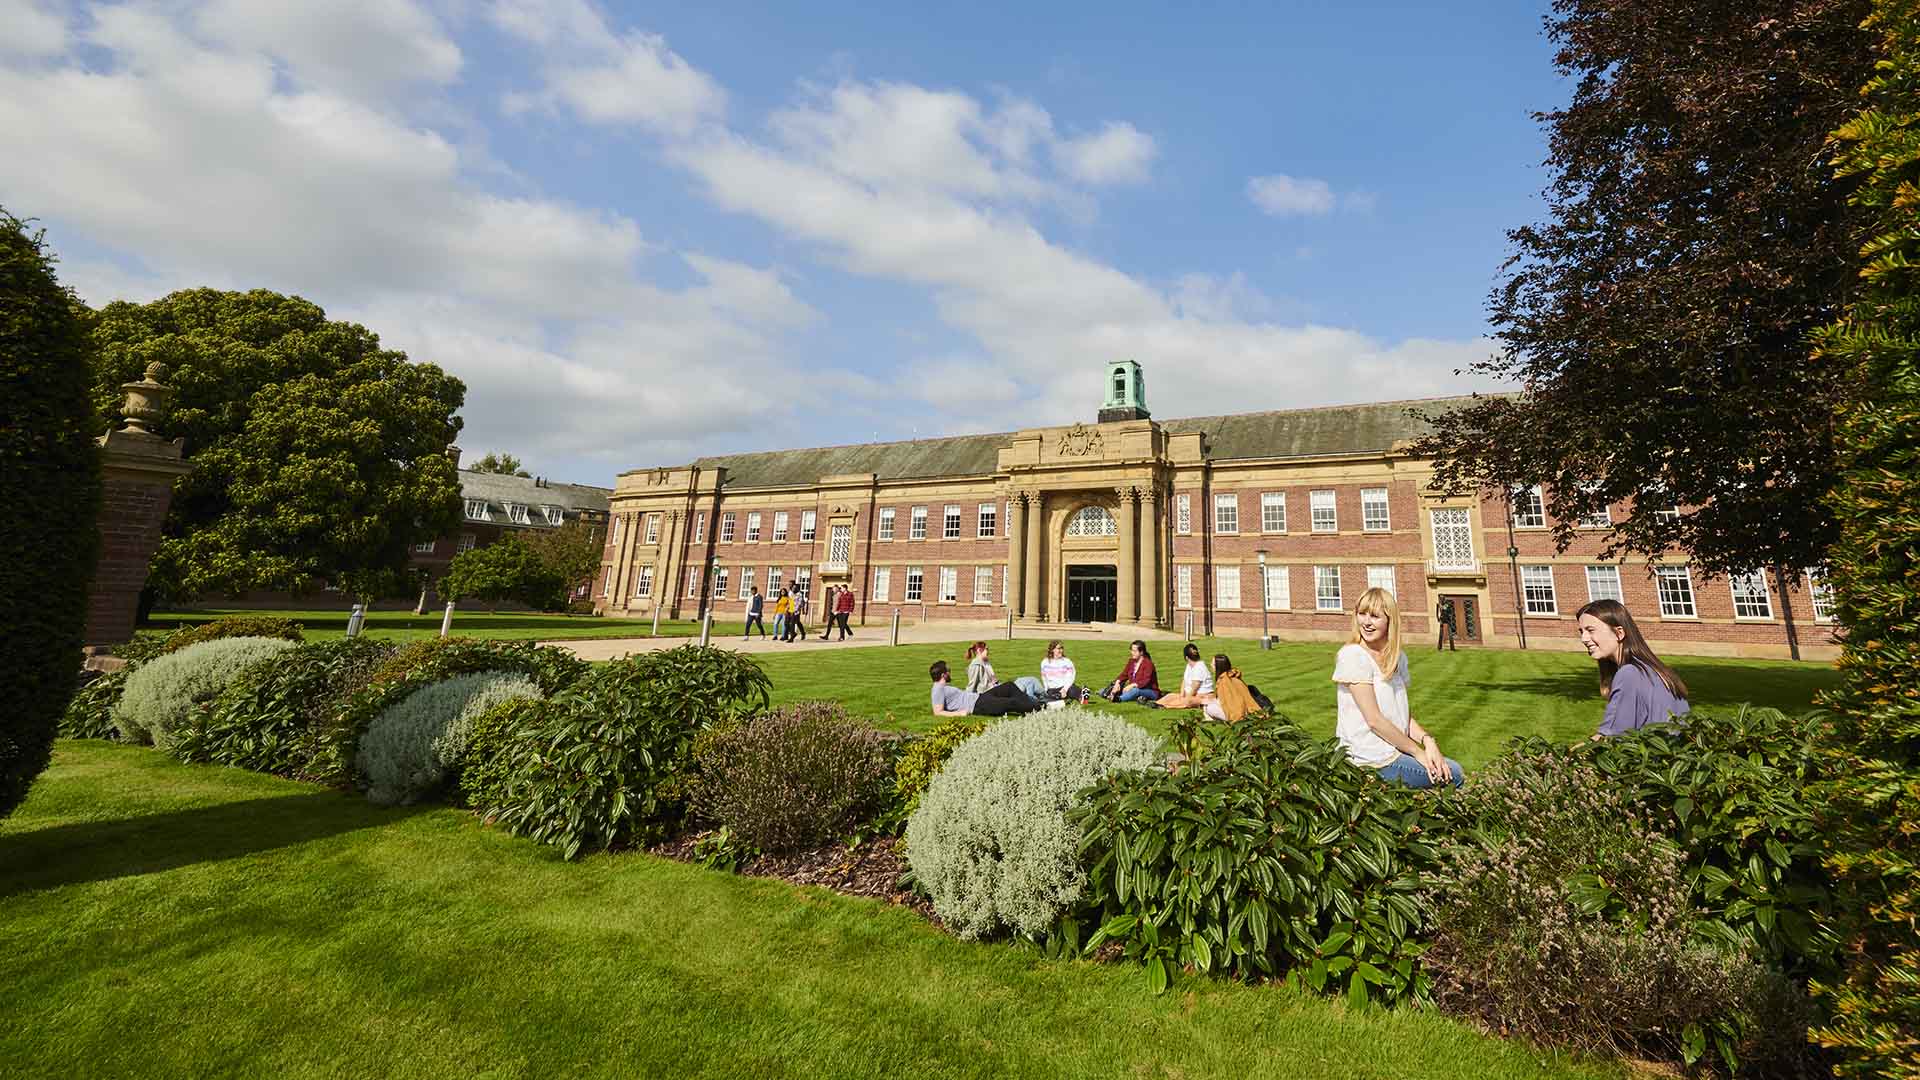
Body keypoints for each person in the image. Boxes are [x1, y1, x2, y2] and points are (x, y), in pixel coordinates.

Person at [1334, 587, 1463, 789]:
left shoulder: (1398, 658)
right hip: (1369, 757)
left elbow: (1403, 716)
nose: (1366, 622)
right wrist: (1418, 753)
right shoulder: (1353, 656)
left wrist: (1428, 741)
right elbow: (1374, 720)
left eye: (1375, 616)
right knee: (1454, 774)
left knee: (1446, 768)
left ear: (1389, 621)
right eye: (1362, 614)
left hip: (1393, 750)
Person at [1575, 598, 1690, 737]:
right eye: (1581, 631)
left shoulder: (1629, 674)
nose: (1584, 638)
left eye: (1590, 630)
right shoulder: (1653, 670)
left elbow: (1612, 737)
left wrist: (1564, 756)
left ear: (1619, 633)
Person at [930, 659, 1039, 717]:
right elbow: (938, 712)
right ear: (943, 674)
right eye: (948, 670)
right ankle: (1040, 709)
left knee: (1009, 686)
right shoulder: (938, 689)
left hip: (980, 697)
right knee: (1011, 702)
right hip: (977, 706)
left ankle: (1032, 705)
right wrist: (959, 713)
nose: (950, 672)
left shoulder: (942, 687)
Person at [1153, 643, 1216, 709]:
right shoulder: (1189, 665)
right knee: (1170, 695)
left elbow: (1194, 688)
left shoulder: (1200, 667)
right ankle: (1156, 703)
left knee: (1187, 701)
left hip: (1201, 696)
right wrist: (1181, 694)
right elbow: (1184, 680)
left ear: (1186, 657)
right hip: (1189, 694)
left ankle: (1165, 706)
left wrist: (1184, 698)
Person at [1204, 654, 1261, 723]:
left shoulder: (1224, 681)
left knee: (1209, 708)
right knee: (1209, 702)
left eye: (1213, 664)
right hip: (1246, 709)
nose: (1210, 665)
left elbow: (1232, 703)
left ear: (1218, 667)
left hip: (1239, 714)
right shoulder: (1232, 675)